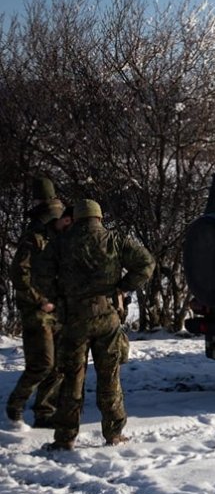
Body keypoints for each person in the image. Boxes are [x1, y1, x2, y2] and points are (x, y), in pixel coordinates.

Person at [46, 199, 154, 451]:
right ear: (99, 217)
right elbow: (146, 264)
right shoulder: (115, 240)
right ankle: (113, 433)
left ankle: (65, 437)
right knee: (110, 377)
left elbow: (40, 276)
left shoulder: (61, 243)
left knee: (71, 379)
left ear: (77, 218)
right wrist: (122, 287)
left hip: (74, 321)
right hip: (107, 318)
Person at [6, 178, 68, 427]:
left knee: (59, 365)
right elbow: (18, 273)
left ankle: (45, 412)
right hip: (37, 309)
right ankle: (16, 405)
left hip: (57, 306)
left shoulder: (58, 235)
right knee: (43, 363)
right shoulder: (34, 236)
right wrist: (38, 300)